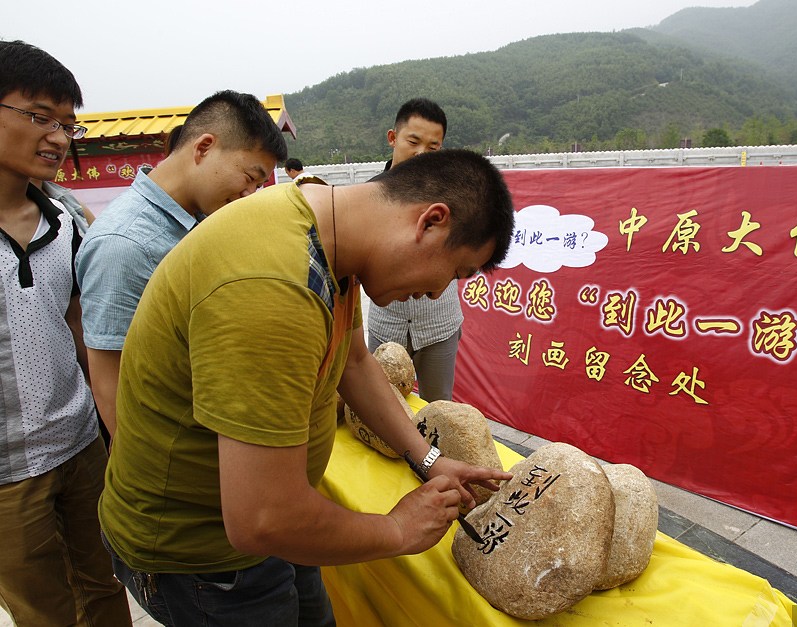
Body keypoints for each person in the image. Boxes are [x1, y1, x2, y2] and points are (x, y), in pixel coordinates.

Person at [99, 148, 515, 625]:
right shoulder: (273, 284)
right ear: (431, 222)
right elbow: (263, 519)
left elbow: (354, 361)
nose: (441, 293)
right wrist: (397, 529)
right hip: (205, 560)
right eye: (456, 272)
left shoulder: (329, 230)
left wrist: (428, 458)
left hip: (282, 532)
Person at [0, 39, 132, 626]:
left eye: (66, 125)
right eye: (38, 117)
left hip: (80, 448)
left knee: (106, 587)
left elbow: (83, 330)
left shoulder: (67, 219)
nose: (57, 137)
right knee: (44, 611)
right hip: (6, 476)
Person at [75, 90, 288, 437]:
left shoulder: (203, 217)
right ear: (203, 148)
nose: (251, 194)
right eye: (250, 178)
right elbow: (110, 381)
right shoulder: (124, 244)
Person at [367, 98, 462, 402]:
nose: (422, 153)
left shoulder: (455, 199)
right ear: (392, 138)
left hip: (438, 323)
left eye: (432, 148)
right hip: (386, 323)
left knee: (439, 408)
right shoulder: (366, 196)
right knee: (381, 405)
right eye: (413, 141)